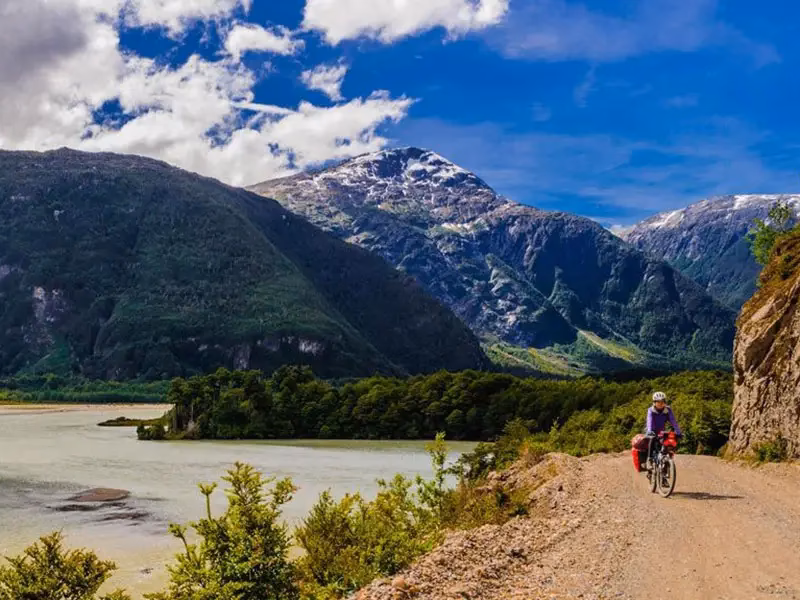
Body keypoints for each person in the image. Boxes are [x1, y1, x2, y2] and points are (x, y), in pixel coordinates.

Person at [645, 391, 682, 465]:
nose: (660, 404)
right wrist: (650, 431)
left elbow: (673, 421)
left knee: (668, 440)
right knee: (652, 439)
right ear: (654, 402)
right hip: (651, 430)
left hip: (661, 431)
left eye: (662, 402)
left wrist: (678, 431)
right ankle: (649, 459)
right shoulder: (651, 410)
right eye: (658, 402)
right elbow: (649, 421)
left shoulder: (668, 410)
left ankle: (666, 459)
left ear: (665, 402)